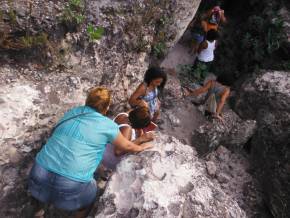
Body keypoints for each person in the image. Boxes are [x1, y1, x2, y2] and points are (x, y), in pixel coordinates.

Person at [27, 87, 153, 218]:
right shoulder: (107, 125)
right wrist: (142, 146)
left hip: (39, 172)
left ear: (87, 100)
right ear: (107, 106)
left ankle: (39, 211)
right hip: (70, 184)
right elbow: (125, 146)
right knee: (92, 193)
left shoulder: (73, 112)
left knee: (42, 188)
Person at [101, 106, 154, 171]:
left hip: (104, 150)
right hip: (109, 159)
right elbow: (118, 151)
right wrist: (141, 138)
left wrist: (139, 131)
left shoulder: (123, 115)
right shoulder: (127, 129)